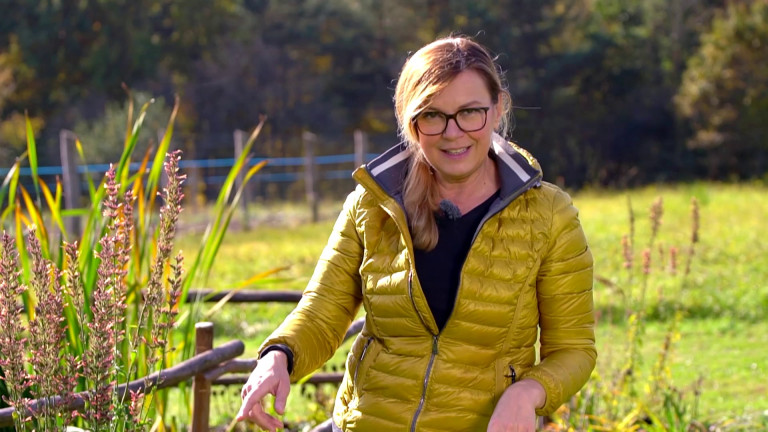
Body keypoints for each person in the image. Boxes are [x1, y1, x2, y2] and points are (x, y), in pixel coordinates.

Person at [237, 36, 596, 432]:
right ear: (411, 123)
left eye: (470, 112)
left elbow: (573, 350)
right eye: (433, 115)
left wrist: (526, 393)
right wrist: (278, 355)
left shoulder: (548, 215)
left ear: (497, 110)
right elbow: (322, 312)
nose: (453, 132)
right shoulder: (372, 205)